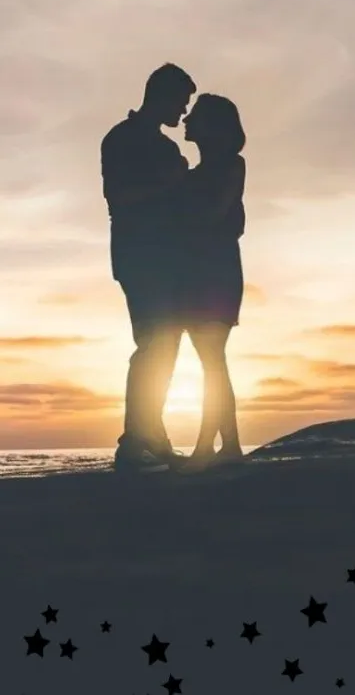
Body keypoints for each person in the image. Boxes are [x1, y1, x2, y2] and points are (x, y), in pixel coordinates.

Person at [101, 63, 196, 472]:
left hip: (168, 258)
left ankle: (152, 436)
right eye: (182, 101)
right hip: (140, 257)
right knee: (152, 344)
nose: (184, 111)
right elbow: (119, 198)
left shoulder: (166, 147)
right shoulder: (121, 139)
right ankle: (134, 441)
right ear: (161, 95)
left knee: (166, 346)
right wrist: (172, 184)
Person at [176, 93, 246, 473]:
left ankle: (210, 445)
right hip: (197, 272)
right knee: (211, 361)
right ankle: (229, 443)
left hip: (216, 273)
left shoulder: (232, 165)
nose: (186, 121)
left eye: (195, 117)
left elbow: (216, 214)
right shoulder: (189, 174)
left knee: (212, 359)